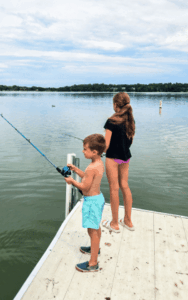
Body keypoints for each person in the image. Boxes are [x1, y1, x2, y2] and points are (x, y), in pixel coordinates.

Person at [65, 134, 105, 272]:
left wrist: (72, 181)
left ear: (94, 152)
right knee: (96, 226)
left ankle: (93, 263)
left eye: (85, 149)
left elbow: (85, 187)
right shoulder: (98, 163)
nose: (83, 151)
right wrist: (76, 170)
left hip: (91, 202)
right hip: (98, 198)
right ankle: (96, 249)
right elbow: (88, 178)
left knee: (92, 231)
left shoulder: (91, 167)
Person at [102, 92, 136, 233]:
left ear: (116, 105)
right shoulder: (131, 120)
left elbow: (106, 145)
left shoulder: (111, 121)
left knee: (114, 188)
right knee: (124, 186)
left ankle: (115, 223)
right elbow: (130, 141)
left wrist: (98, 149)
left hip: (112, 158)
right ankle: (128, 221)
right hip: (125, 157)